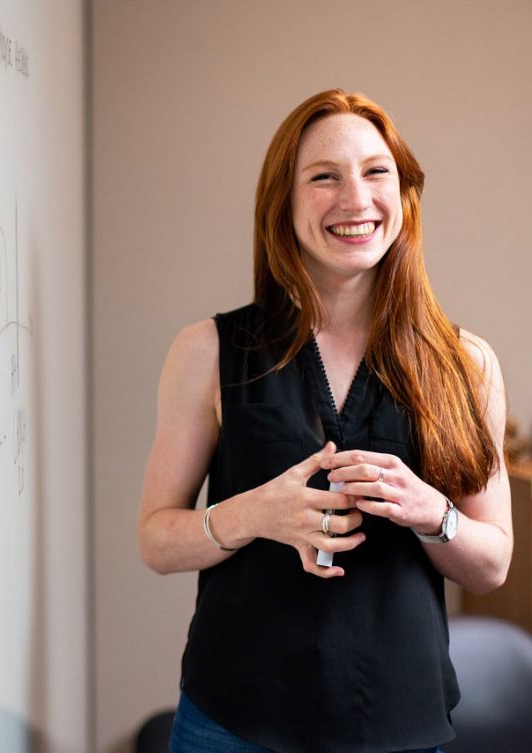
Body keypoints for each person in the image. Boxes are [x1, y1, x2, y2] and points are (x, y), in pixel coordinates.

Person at [138, 89, 512, 753]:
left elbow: (492, 563)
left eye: (375, 172)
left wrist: (432, 511)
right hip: (233, 723)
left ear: (404, 194)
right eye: (324, 177)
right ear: (283, 202)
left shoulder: (468, 363)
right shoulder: (207, 351)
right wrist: (253, 513)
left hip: (401, 726)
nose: (355, 198)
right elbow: (156, 539)